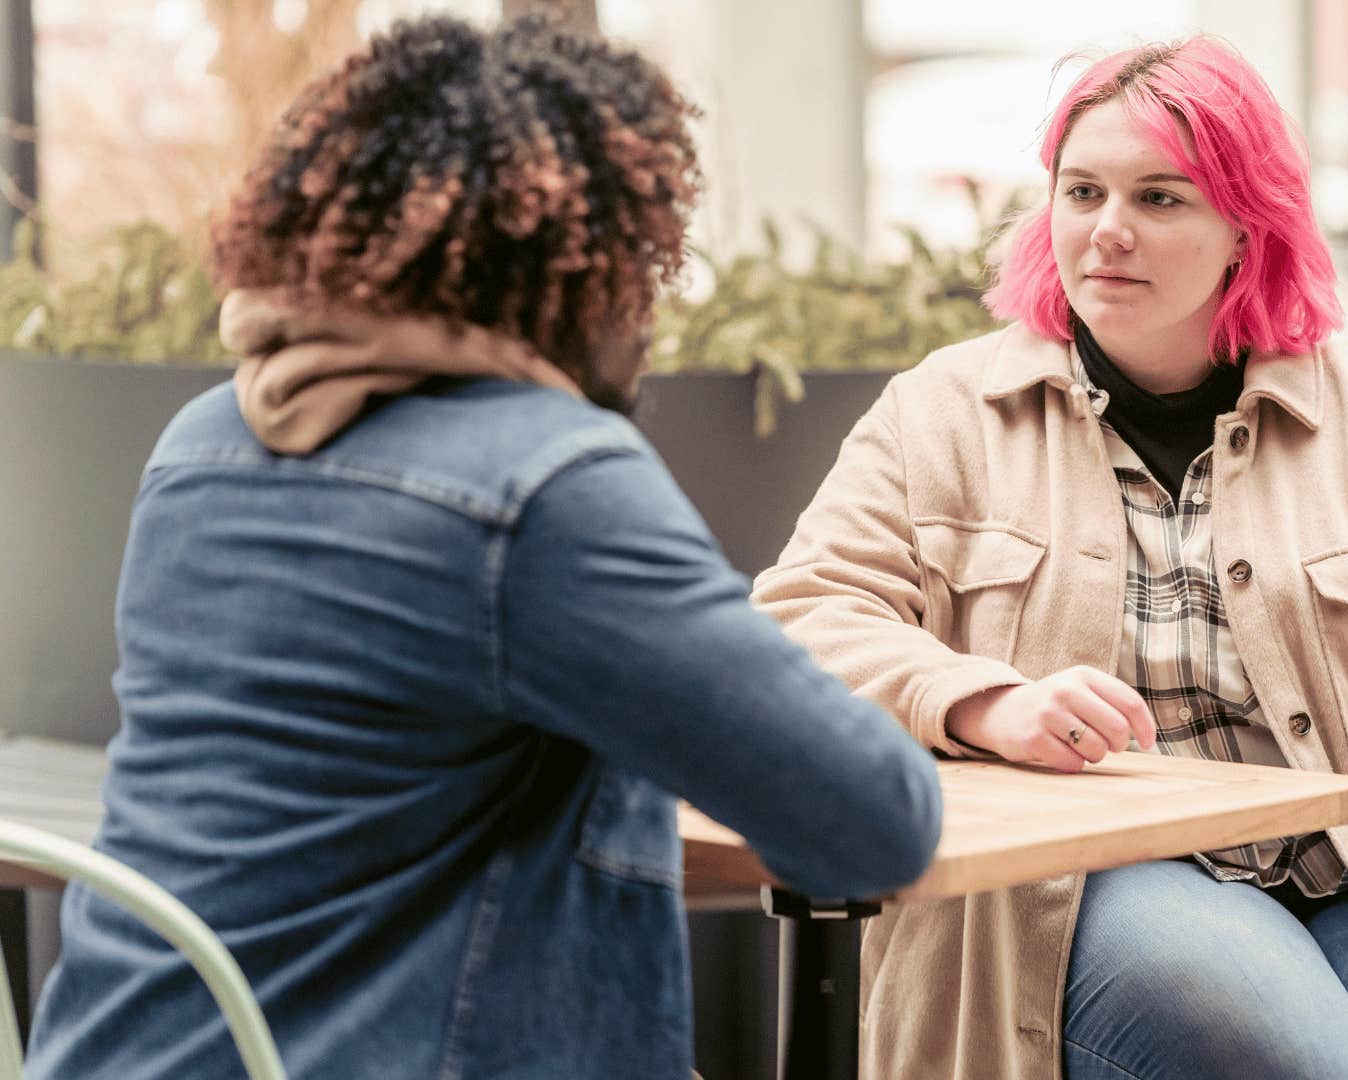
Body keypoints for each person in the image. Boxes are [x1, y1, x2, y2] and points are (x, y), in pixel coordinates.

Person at [25, 16, 941, 1080]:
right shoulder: (546, 484)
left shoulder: (204, 443)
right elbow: (873, 824)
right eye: (641, 260)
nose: (650, 303)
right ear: (581, 263)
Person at [753, 36, 1348, 1080]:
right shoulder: (941, 413)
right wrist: (980, 700)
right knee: (1297, 1057)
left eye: (1161, 199)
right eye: (1081, 192)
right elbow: (800, 619)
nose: (1108, 232)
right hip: (1093, 879)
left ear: (1244, 231)